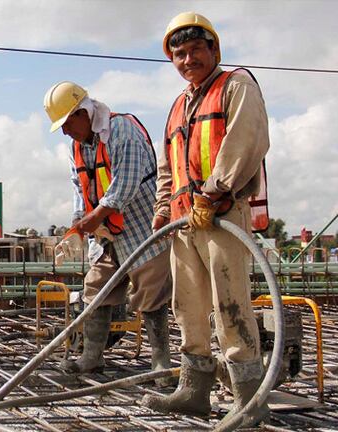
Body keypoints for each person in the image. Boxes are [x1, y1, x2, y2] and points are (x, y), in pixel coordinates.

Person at [142, 12, 270, 426]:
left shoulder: (236, 86)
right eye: (178, 54)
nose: (187, 59)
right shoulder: (179, 105)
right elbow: (169, 166)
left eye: (195, 49)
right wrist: (163, 208)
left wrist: (215, 190)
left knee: (230, 306)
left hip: (222, 214)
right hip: (184, 221)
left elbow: (245, 139)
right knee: (188, 307)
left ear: (214, 49)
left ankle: (249, 401)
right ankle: (194, 392)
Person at [44, 81, 174, 386]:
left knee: (151, 295)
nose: (65, 132)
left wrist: (93, 218)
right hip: (107, 232)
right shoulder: (79, 145)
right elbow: (80, 186)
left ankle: (161, 364)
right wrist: (79, 222)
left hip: (142, 227)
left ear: (83, 112)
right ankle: (92, 356)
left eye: (67, 123)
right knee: (96, 289)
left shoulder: (121, 131)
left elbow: (125, 184)